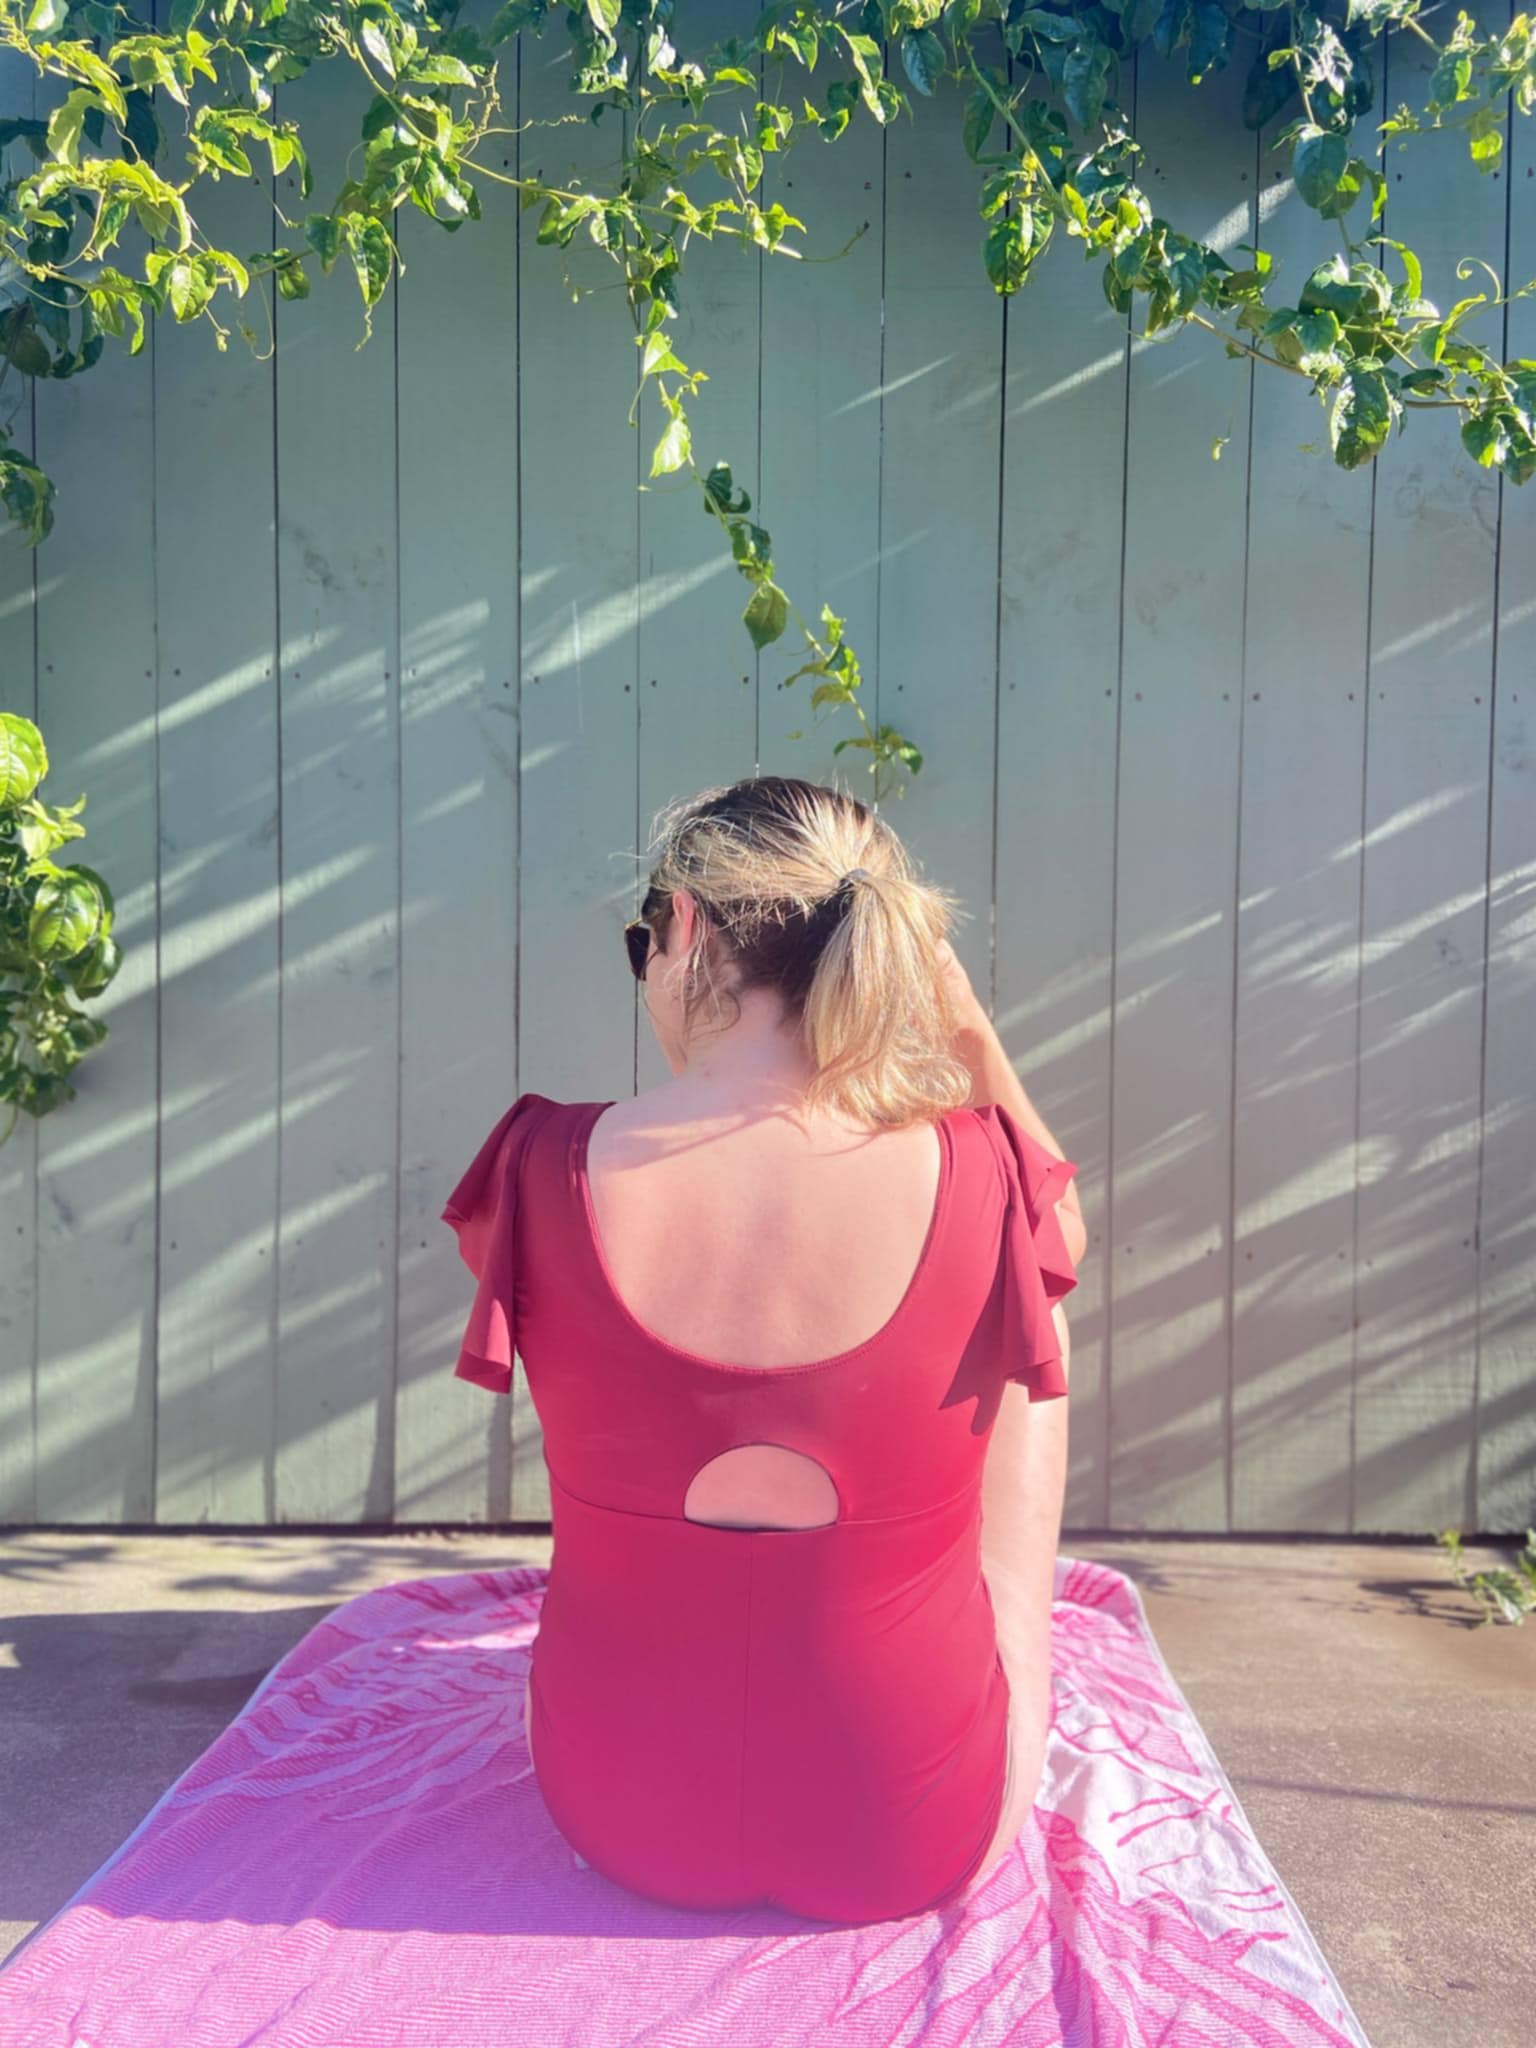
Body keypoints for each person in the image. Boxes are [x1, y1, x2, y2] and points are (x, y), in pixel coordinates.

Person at [441, 775, 1088, 1924]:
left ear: (684, 926)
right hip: (913, 1827)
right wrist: (964, 1019)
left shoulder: (540, 1167)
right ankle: (1017, 1665)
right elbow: (1063, 1236)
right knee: (1030, 1319)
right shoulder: (980, 1171)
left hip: (613, 1811)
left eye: (643, 936)